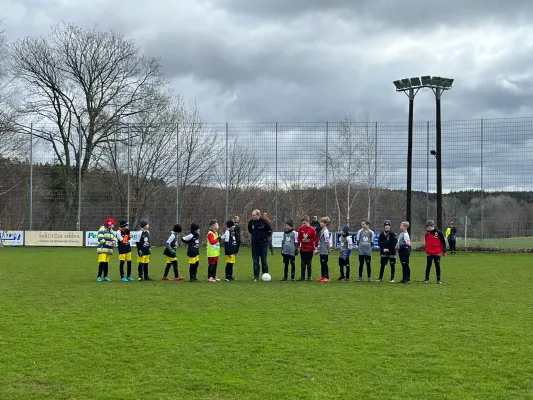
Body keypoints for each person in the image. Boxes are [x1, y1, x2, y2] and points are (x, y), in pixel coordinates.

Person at [248, 209, 271, 281]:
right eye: (252, 215)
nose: (252, 217)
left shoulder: (264, 222)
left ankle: (265, 274)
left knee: (264, 260)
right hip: (255, 245)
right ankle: (256, 276)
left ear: (258, 215)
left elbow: (269, 231)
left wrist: (264, 238)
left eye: (254, 215)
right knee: (255, 261)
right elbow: (250, 230)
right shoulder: (251, 222)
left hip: (263, 244)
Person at [424, 220, 446, 284]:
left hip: (437, 252)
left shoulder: (438, 233)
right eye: (427, 227)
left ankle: (438, 279)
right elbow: (426, 242)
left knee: (437, 265)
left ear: (432, 226)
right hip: (429, 252)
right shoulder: (426, 233)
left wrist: (444, 250)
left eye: (428, 227)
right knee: (428, 265)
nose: (427, 229)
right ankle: (426, 279)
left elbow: (443, 242)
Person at [298, 215, 318, 281]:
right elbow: (299, 238)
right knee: (303, 263)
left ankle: (309, 277)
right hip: (303, 248)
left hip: (310, 248)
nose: (303, 224)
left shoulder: (312, 229)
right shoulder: (300, 228)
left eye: (304, 223)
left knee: (309, 263)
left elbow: (315, 239)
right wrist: (298, 246)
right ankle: (302, 277)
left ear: (308, 222)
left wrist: (316, 247)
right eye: (303, 223)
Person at [96, 218, 116, 282]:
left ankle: (105, 276)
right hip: (102, 249)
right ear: (109, 224)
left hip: (108, 250)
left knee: (106, 263)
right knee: (102, 262)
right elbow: (100, 238)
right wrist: (107, 243)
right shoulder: (102, 229)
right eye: (112, 224)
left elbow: (114, 239)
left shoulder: (112, 231)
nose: (113, 226)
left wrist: (113, 243)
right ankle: (99, 276)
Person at [317, 216, 331, 282]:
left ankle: (327, 277)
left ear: (325, 223)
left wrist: (328, 249)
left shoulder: (326, 232)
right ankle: (322, 276)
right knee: (321, 263)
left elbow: (327, 241)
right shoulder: (322, 230)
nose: (320, 223)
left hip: (325, 250)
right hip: (322, 249)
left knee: (324, 263)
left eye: (321, 222)